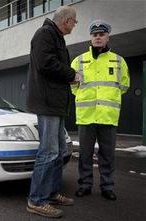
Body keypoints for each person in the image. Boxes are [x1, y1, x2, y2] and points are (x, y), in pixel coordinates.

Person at [26, 6, 81, 218]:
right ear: (66, 21)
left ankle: (50, 193)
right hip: (47, 103)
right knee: (48, 151)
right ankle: (36, 200)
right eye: (74, 22)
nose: (74, 25)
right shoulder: (45, 34)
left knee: (58, 151)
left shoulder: (56, 37)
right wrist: (72, 74)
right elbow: (46, 63)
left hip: (55, 104)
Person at [71, 20, 130, 201]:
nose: (98, 37)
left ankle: (107, 186)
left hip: (108, 116)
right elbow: (73, 87)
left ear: (107, 37)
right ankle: (85, 184)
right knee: (85, 154)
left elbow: (124, 85)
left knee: (107, 155)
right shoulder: (78, 61)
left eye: (101, 34)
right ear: (91, 37)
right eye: (95, 35)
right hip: (86, 116)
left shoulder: (119, 61)